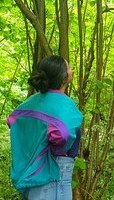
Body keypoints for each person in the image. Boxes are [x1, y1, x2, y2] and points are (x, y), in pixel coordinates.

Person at [6, 55, 83, 200]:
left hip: (31, 171)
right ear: (63, 78)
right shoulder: (64, 103)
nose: (72, 69)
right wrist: (57, 149)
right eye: (69, 67)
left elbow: (13, 120)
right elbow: (63, 134)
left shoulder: (32, 101)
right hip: (54, 172)